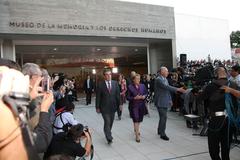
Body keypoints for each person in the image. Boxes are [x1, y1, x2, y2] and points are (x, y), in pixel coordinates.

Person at [198, 67, 238, 160]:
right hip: (230, 120)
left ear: (216, 74)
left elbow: (200, 99)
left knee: (213, 147)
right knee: (226, 145)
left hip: (216, 119)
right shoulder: (233, 84)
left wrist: (202, 92)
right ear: (226, 73)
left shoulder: (211, 86)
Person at [154, 66, 186, 141]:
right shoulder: (158, 79)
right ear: (162, 72)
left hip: (165, 100)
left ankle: (159, 130)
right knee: (164, 117)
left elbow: (167, 91)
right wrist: (178, 89)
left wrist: (170, 99)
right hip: (160, 101)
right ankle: (162, 134)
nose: (168, 72)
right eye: (167, 71)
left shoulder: (165, 79)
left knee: (162, 117)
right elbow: (167, 87)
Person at [95, 69, 120, 144]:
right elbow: (98, 97)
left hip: (113, 106)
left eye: (110, 74)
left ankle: (107, 132)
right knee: (107, 121)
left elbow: (117, 95)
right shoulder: (100, 84)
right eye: (107, 74)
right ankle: (109, 137)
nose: (109, 76)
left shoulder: (115, 83)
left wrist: (120, 104)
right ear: (104, 76)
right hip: (104, 107)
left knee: (111, 122)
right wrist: (97, 107)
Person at [127, 74, 148, 142]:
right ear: (133, 79)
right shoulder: (130, 87)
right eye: (136, 79)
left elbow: (146, 93)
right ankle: (137, 136)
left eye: (139, 79)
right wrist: (134, 98)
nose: (138, 80)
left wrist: (144, 96)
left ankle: (136, 129)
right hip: (134, 106)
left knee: (139, 119)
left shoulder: (142, 86)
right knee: (136, 119)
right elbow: (128, 97)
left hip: (141, 105)